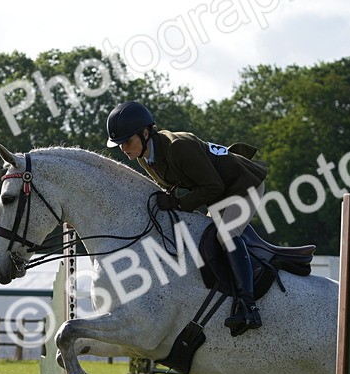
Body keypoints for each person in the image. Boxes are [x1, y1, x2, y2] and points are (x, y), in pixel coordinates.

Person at [106, 100, 268, 336]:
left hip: (243, 184)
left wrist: (179, 203)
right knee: (204, 236)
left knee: (226, 235)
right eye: (120, 144)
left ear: (145, 132)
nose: (124, 149)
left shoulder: (179, 146)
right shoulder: (144, 157)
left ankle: (248, 305)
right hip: (219, 191)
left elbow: (213, 186)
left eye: (127, 141)